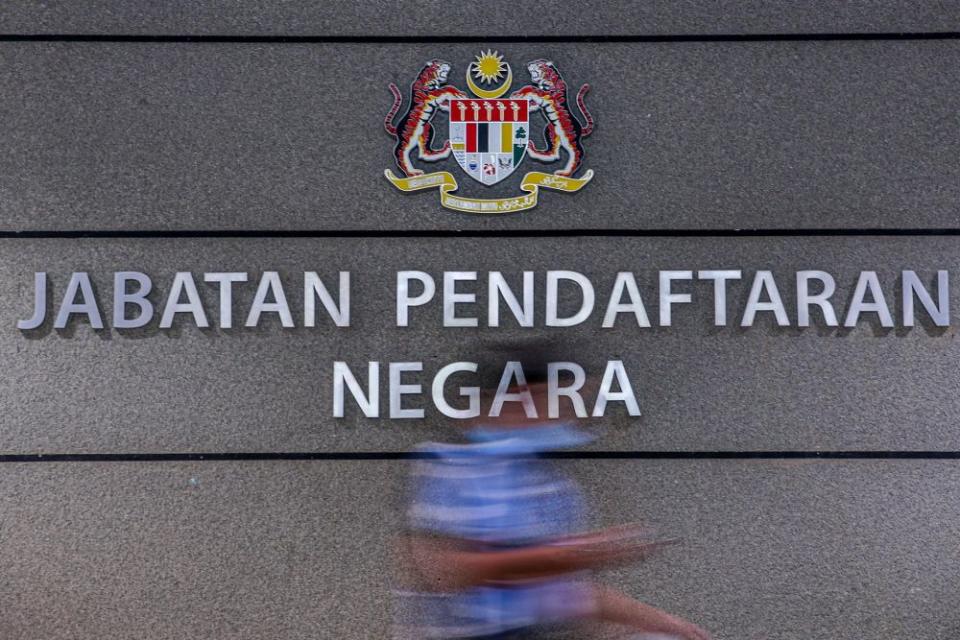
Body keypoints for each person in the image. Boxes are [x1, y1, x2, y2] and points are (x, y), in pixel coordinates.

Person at [394, 342, 711, 640]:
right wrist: (565, 555)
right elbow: (446, 572)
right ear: (520, 398)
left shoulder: (552, 486)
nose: (567, 413)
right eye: (556, 399)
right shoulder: (446, 464)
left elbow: (564, 595)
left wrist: (669, 625)